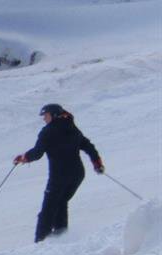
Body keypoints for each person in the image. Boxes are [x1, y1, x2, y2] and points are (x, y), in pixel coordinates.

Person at [14, 104, 104, 243]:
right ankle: (61, 238)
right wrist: (97, 163)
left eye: (45, 115)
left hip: (59, 176)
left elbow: (37, 152)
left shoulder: (48, 131)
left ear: (54, 115)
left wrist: (23, 157)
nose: (44, 118)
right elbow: (88, 146)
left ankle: (41, 242)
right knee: (61, 203)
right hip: (77, 175)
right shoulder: (71, 127)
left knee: (48, 209)